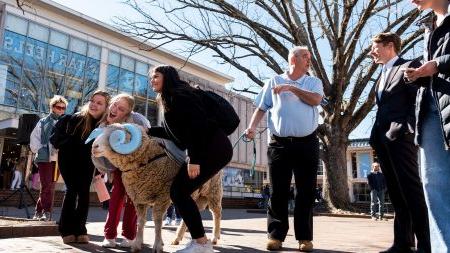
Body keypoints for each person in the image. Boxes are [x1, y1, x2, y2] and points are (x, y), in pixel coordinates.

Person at [245, 46, 324, 252]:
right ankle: (275, 236)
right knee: (277, 191)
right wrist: (252, 127)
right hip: (279, 143)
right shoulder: (274, 81)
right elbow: (262, 107)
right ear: (293, 59)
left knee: (305, 192)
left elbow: (316, 100)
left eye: (309, 57)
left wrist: (292, 88)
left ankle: (304, 238)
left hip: (307, 143)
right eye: (305, 56)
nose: (309, 60)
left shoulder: (313, 82)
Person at [147, 65, 232, 253]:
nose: (152, 80)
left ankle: (201, 243)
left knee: (179, 192)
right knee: (179, 192)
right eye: (151, 77)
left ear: (167, 77)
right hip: (211, 148)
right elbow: (179, 133)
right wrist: (148, 131)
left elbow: (198, 126)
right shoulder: (173, 97)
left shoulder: (178, 97)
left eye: (156, 76)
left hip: (212, 149)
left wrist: (194, 158)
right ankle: (200, 241)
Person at [369, 32, 430, 253]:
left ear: (390, 45)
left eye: (375, 47)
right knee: (396, 192)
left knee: (411, 190)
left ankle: (426, 243)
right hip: (382, 140)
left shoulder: (409, 65)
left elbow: (418, 100)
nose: (371, 52)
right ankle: (403, 243)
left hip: (401, 138)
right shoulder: (382, 74)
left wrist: (407, 128)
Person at [405, 1, 450, 251]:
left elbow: (440, 65)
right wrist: (418, 76)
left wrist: (438, 64)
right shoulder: (427, 24)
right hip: (431, 113)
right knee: (435, 187)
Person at [50, 90, 110, 244]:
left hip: (88, 162)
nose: (94, 104)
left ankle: (80, 229)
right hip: (69, 159)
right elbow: (55, 139)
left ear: (105, 107)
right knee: (71, 191)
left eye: (99, 103)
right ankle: (66, 230)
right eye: (92, 100)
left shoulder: (104, 126)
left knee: (83, 193)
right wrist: (72, 142)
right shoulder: (71, 119)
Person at [95, 94, 150, 248]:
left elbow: (149, 140)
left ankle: (129, 236)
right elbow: (99, 153)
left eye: (121, 109)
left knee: (133, 200)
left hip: (137, 167)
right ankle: (110, 235)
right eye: (114, 105)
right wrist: (107, 170)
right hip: (119, 167)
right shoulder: (103, 125)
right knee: (116, 198)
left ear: (127, 113)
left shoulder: (136, 121)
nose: (115, 110)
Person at [30, 95, 67, 221]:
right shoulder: (43, 121)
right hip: (44, 157)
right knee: (46, 185)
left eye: (63, 108)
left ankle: (39, 211)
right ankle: (46, 211)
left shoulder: (65, 123)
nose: (61, 110)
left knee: (50, 186)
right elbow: (34, 137)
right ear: (52, 107)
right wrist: (40, 149)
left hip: (59, 159)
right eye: (58, 107)